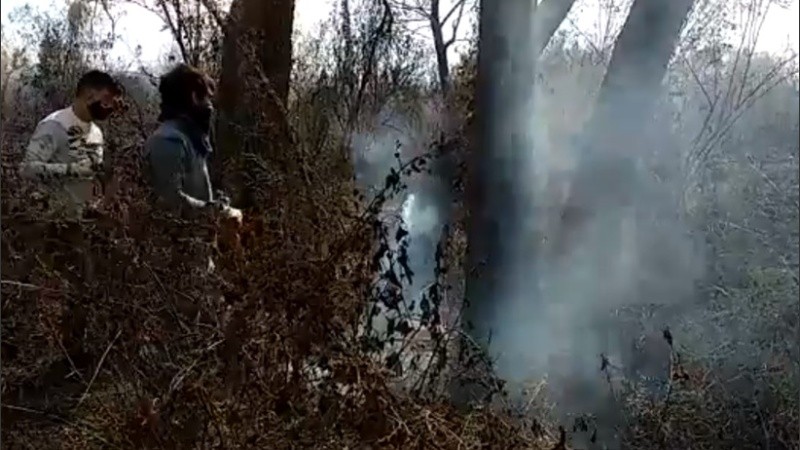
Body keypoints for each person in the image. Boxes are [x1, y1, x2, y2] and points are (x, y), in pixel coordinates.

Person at [144, 63, 241, 222]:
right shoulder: (169, 140)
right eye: (207, 98)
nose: (210, 106)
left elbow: (195, 191)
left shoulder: (189, 139)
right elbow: (169, 202)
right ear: (194, 97)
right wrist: (219, 214)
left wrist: (218, 203)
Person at [21, 70, 123, 217]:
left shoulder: (97, 133)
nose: (109, 107)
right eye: (106, 99)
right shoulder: (54, 125)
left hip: (84, 222)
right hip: (53, 222)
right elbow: (27, 169)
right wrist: (70, 170)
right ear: (89, 95)